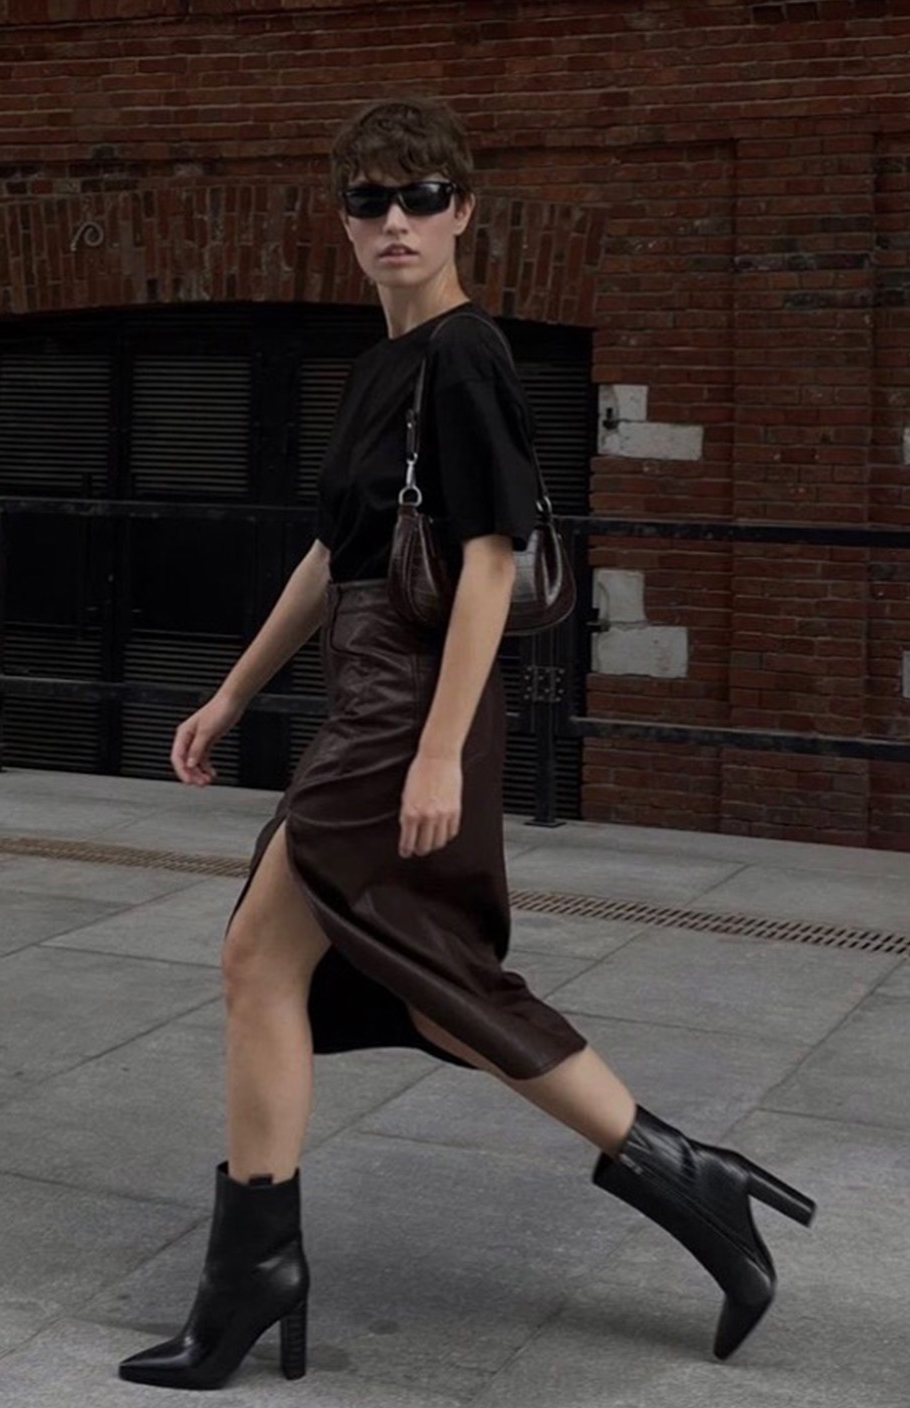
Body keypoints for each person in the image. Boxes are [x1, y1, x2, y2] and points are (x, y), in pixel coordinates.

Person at [117, 96, 816, 1393]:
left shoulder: (469, 352)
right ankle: (689, 1178)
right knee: (415, 983)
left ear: (463, 212)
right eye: (370, 200)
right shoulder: (377, 369)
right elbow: (336, 556)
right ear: (344, 221)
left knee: (269, 959)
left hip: (407, 710)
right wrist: (231, 694)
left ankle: (252, 1277)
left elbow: (492, 561)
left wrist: (440, 749)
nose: (396, 221)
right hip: (371, 696)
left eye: (422, 197)